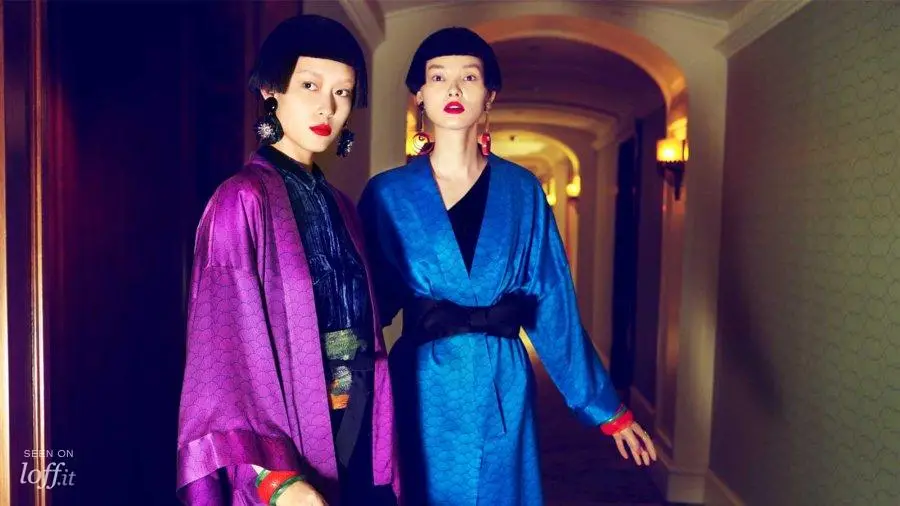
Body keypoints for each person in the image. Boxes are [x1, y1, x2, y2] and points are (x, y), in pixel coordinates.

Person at [358, 27, 656, 505]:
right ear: (420, 95)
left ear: (489, 95)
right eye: (438, 77)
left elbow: (552, 305)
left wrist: (606, 408)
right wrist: (337, 392)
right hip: (422, 386)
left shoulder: (523, 190)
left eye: (469, 77)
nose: (454, 89)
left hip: (503, 379)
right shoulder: (387, 194)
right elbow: (364, 305)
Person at [176, 15, 399, 506]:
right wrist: (271, 478)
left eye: (343, 92)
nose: (328, 107)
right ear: (272, 90)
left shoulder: (343, 205)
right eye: (310, 85)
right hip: (290, 441)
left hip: (360, 419)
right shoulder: (239, 201)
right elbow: (222, 357)